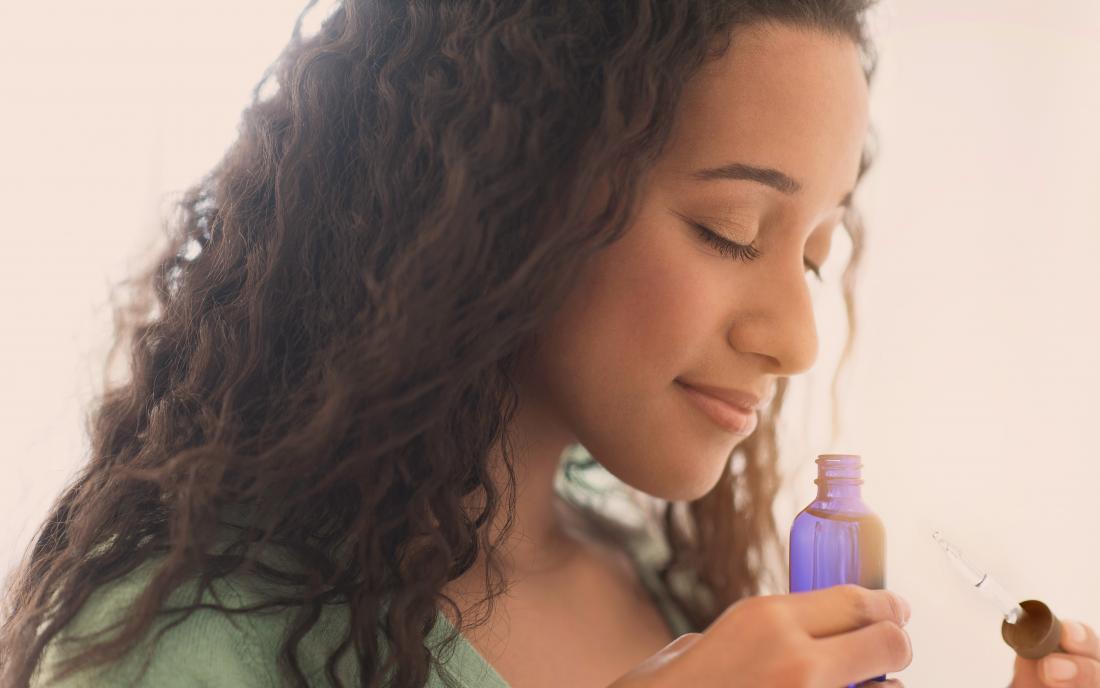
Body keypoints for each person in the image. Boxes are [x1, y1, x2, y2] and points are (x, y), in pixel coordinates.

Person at [2, 1, 1097, 687]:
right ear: (502, 199)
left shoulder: (667, 580)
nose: (796, 339)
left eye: (811, 254)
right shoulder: (186, 647)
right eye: (728, 232)